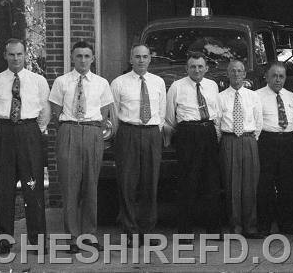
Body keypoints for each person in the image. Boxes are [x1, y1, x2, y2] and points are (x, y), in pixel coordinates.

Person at [0, 39, 50, 256]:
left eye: (19, 54)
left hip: (29, 132)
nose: (16, 58)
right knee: (5, 189)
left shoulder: (38, 81)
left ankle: (37, 241)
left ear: (25, 54)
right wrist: (5, 130)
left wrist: (30, 130)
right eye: (11, 54)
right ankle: (4, 241)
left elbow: (45, 113)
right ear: (4, 55)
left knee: (33, 187)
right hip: (5, 134)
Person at [49, 41, 115, 253]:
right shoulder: (61, 82)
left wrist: (91, 129)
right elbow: (55, 111)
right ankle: (72, 238)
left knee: (90, 185)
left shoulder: (101, 83)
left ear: (93, 58)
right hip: (69, 130)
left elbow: (105, 112)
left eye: (87, 56)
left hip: (92, 132)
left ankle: (89, 235)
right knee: (70, 187)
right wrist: (71, 127)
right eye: (79, 56)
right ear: (72, 57)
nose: (83, 60)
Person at [109, 44, 167, 246]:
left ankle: (147, 231)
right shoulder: (119, 83)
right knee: (127, 183)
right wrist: (123, 135)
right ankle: (130, 231)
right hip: (128, 132)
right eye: (137, 57)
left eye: (145, 56)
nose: (141, 60)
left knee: (150, 183)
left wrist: (154, 132)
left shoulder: (158, 82)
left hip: (152, 133)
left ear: (150, 58)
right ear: (130, 59)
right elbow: (114, 113)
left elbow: (162, 111)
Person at [164, 52, 223, 242]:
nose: (196, 70)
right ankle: (185, 232)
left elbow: (218, 112)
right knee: (188, 182)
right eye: (192, 67)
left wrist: (215, 133)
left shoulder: (212, 86)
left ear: (206, 68)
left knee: (211, 182)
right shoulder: (177, 86)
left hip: (208, 131)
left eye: (200, 66)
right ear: (186, 68)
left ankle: (214, 229)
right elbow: (169, 117)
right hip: (188, 133)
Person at [216, 60, 263, 238]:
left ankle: (250, 227)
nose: (236, 74)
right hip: (229, 141)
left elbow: (258, 122)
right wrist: (225, 143)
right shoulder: (220, 98)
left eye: (240, 71)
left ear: (244, 74)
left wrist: (251, 139)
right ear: (228, 74)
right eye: (233, 71)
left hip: (249, 140)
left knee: (250, 185)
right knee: (231, 185)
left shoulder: (253, 96)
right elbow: (217, 124)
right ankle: (235, 227)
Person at [254, 62, 293, 235]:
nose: (278, 79)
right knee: (265, 184)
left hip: (287, 141)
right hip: (267, 141)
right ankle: (264, 226)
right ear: (267, 76)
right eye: (274, 75)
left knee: (287, 184)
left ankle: (286, 225)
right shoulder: (257, 95)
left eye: (281, 76)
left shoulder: (290, 96)